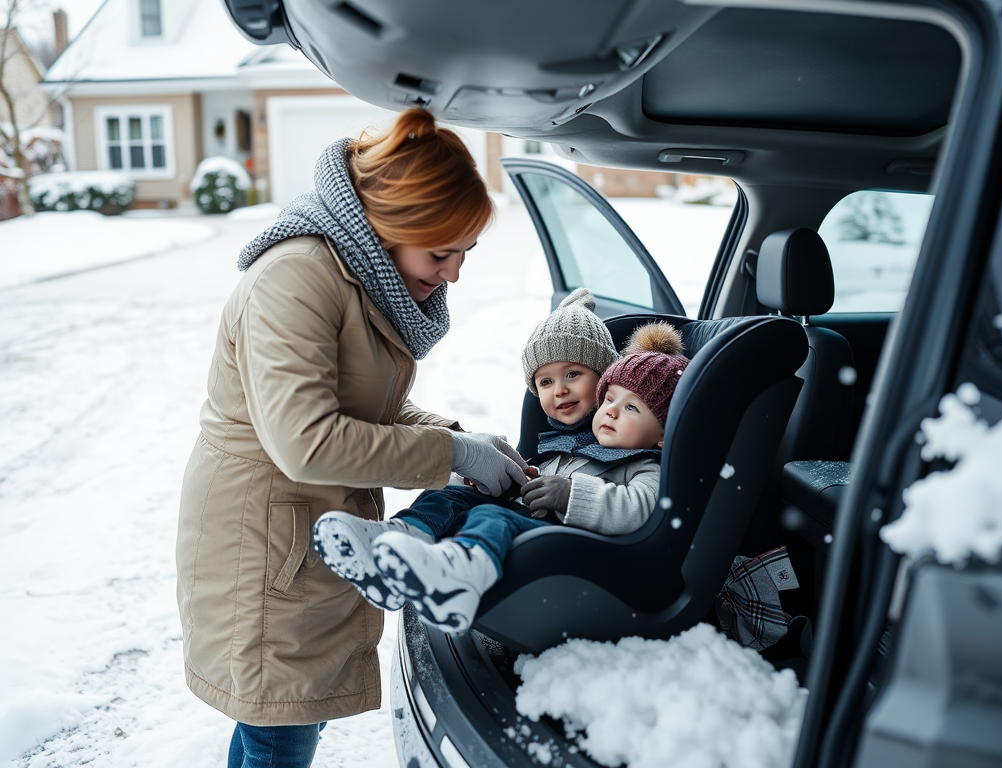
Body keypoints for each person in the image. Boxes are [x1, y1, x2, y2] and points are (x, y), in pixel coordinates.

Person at [175, 108, 528, 768]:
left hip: (302, 530)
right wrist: (451, 455)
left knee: (273, 721)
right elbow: (306, 440)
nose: (454, 274)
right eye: (441, 251)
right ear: (395, 227)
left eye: (465, 254)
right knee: (281, 728)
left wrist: (459, 437)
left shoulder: (355, 275)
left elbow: (370, 406)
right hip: (262, 543)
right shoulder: (296, 278)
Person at [314, 289, 690, 634]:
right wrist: (505, 482)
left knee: (491, 517)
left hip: (580, 553)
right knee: (450, 495)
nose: (560, 389)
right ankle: (397, 541)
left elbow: (642, 509)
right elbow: (535, 487)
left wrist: (570, 495)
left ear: (662, 432)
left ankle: (461, 574)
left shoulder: (644, 463)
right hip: (539, 527)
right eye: (545, 382)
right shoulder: (564, 444)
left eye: (573, 375)